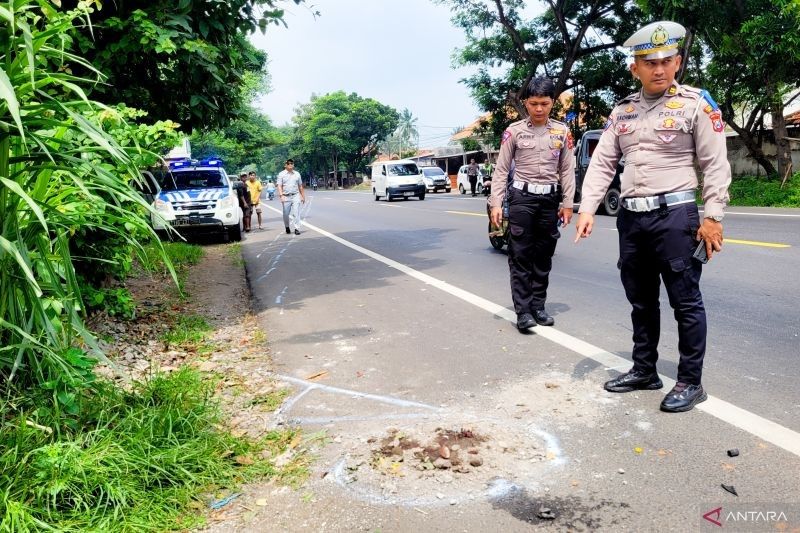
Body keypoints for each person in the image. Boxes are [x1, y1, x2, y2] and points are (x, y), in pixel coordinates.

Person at [574, 21, 731, 413]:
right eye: (649, 62)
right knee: (640, 300)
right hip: (632, 219)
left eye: (665, 61)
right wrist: (588, 207)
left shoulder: (696, 104)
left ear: (677, 62)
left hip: (676, 217)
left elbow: (715, 164)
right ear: (635, 68)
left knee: (685, 302)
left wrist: (712, 216)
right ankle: (645, 369)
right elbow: (603, 162)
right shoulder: (622, 111)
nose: (658, 69)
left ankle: (691, 382)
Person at [489, 76, 576, 331]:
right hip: (522, 199)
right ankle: (523, 311)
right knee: (521, 255)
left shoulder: (562, 131)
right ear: (526, 103)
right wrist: (496, 203)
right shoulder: (513, 132)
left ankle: (539, 306)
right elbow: (501, 170)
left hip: (549, 200)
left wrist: (568, 203)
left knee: (544, 255)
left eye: (545, 103)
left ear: (552, 103)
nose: (539, 109)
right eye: (534, 103)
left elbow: (567, 169)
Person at [276, 159, 306, 235]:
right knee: (286, 213)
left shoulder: (297, 174)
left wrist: (302, 196)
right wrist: (281, 195)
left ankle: (297, 228)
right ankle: (287, 227)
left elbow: (300, 186)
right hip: (286, 196)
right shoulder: (281, 174)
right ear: (285, 165)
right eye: (288, 163)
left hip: (295, 195)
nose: (290, 165)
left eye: (292, 163)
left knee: (296, 212)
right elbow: (279, 186)